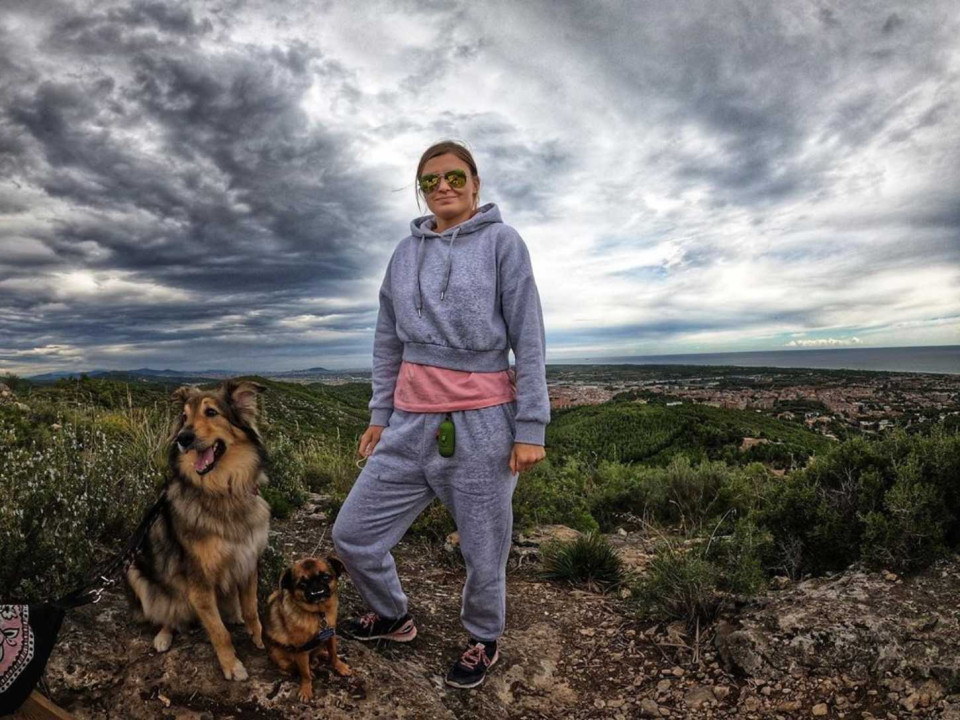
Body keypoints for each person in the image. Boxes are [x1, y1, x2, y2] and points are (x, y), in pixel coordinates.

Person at [332, 139, 550, 689]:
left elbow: (528, 337)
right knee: (354, 534)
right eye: (430, 181)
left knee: (483, 549)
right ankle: (392, 615)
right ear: (421, 190)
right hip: (408, 423)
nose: (443, 187)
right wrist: (380, 413)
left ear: (475, 183)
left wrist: (530, 426)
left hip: (483, 425)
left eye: (454, 176)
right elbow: (387, 339)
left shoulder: (503, 242)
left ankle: (482, 638)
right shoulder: (404, 254)